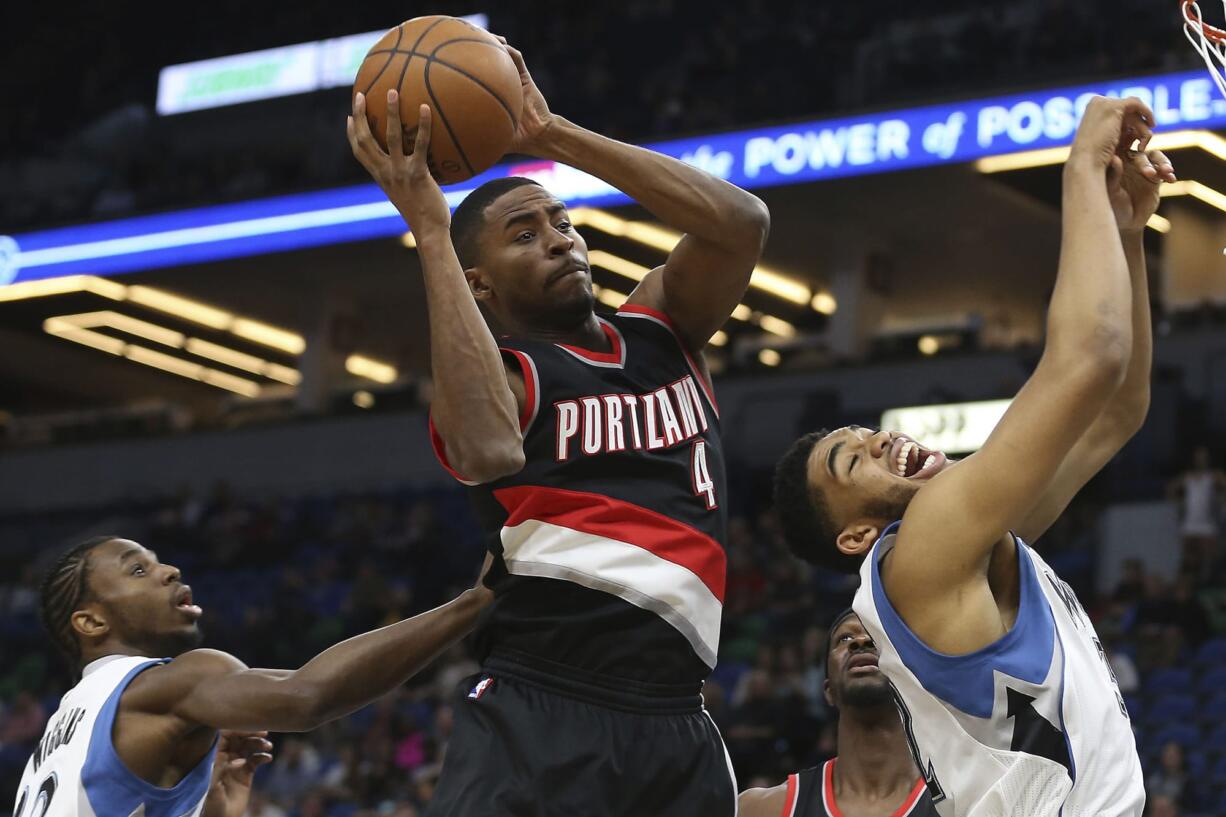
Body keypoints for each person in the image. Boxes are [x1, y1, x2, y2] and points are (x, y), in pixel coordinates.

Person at [346, 35, 768, 816]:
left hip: (680, 715)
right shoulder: (504, 375)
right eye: (524, 234)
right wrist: (433, 232)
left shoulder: (661, 326)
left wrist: (546, 133)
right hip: (543, 705)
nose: (560, 240)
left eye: (561, 221)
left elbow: (740, 222)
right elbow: (486, 449)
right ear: (480, 283)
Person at [771, 96, 1176, 816]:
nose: (874, 439)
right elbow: (1090, 356)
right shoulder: (919, 553)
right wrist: (1081, 162)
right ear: (858, 536)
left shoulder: (978, 542)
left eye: (861, 431)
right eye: (850, 461)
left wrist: (1125, 231)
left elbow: (1117, 408)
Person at [12, 536, 489, 817]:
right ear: (91, 623)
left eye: (158, 561)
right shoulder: (167, 683)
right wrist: (476, 602)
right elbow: (307, 697)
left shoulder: (58, 732)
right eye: (138, 570)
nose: (169, 570)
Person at [738, 610, 938, 817]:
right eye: (845, 638)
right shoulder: (760, 809)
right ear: (829, 691)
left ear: (913, 681)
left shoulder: (964, 804)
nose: (860, 641)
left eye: (879, 635)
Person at [1167, 445, 1226, 579]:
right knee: (1188, 558)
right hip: (1190, 523)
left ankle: (1208, 580)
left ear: (1208, 459)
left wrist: (1221, 500)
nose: (1201, 460)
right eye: (1198, 457)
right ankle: (1188, 581)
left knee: (1209, 558)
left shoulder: (1214, 476)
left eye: (1203, 457)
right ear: (1194, 459)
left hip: (1207, 523)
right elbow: (1170, 488)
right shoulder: (1187, 477)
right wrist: (1178, 503)